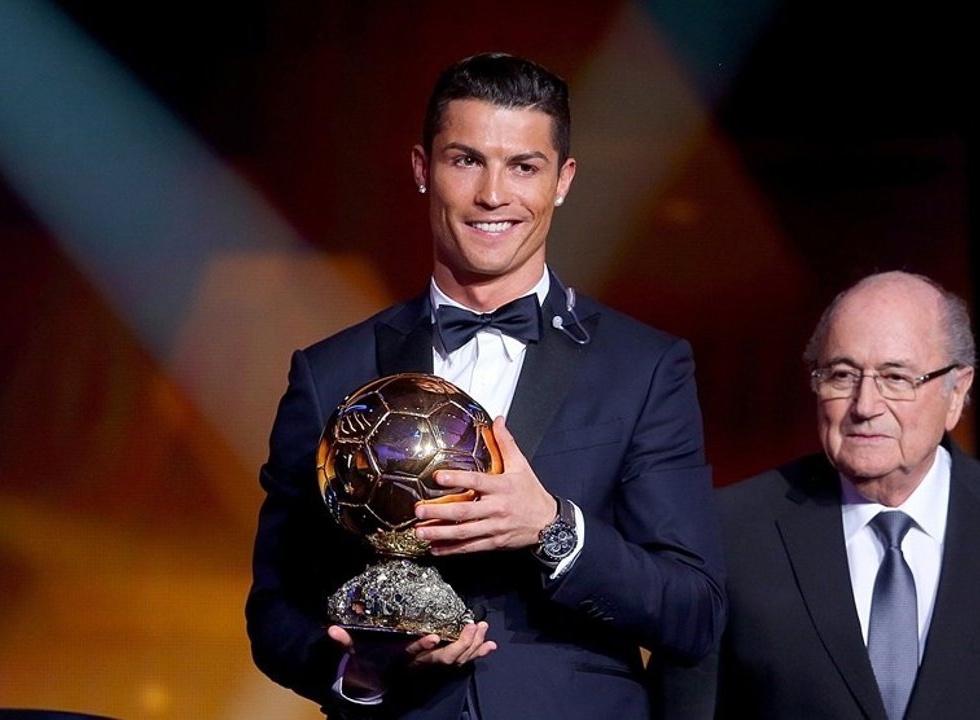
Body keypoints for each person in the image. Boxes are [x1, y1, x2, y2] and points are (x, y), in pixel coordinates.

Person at [246, 52, 725, 719]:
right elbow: (276, 607)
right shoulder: (331, 372)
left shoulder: (643, 368)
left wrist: (552, 528)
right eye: (466, 160)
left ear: (562, 180)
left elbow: (694, 611)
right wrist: (361, 669)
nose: (493, 195)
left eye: (523, 166)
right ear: (423, 169)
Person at [648, 271, 980, 719]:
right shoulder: (730, 531)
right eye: (842, 375)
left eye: (896, 378)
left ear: (956, 392)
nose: (865, 406)